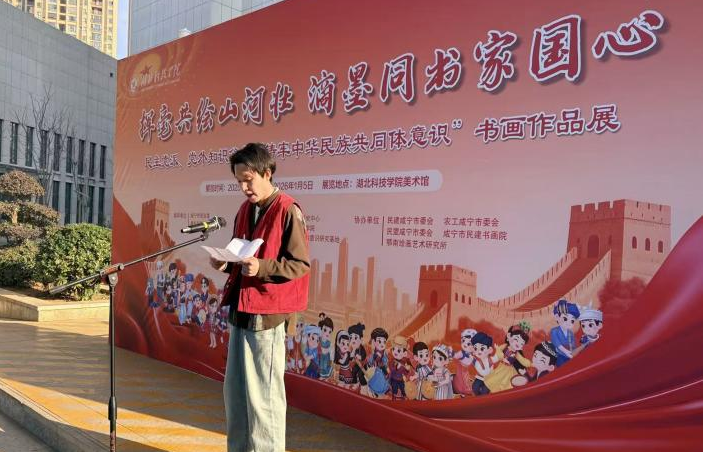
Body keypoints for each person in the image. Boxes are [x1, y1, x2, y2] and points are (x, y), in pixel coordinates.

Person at [212, 143, 310, 452]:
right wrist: (226, 263)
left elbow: (300, 265)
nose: (244, 188)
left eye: (248, 180)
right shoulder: (245, 209)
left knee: (264, 401)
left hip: (267, 317)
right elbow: (239, 251)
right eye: (239, 181)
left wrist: (262, 267)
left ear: (267, 173)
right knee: (236, 395)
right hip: (241, 311)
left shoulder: (288, 209)